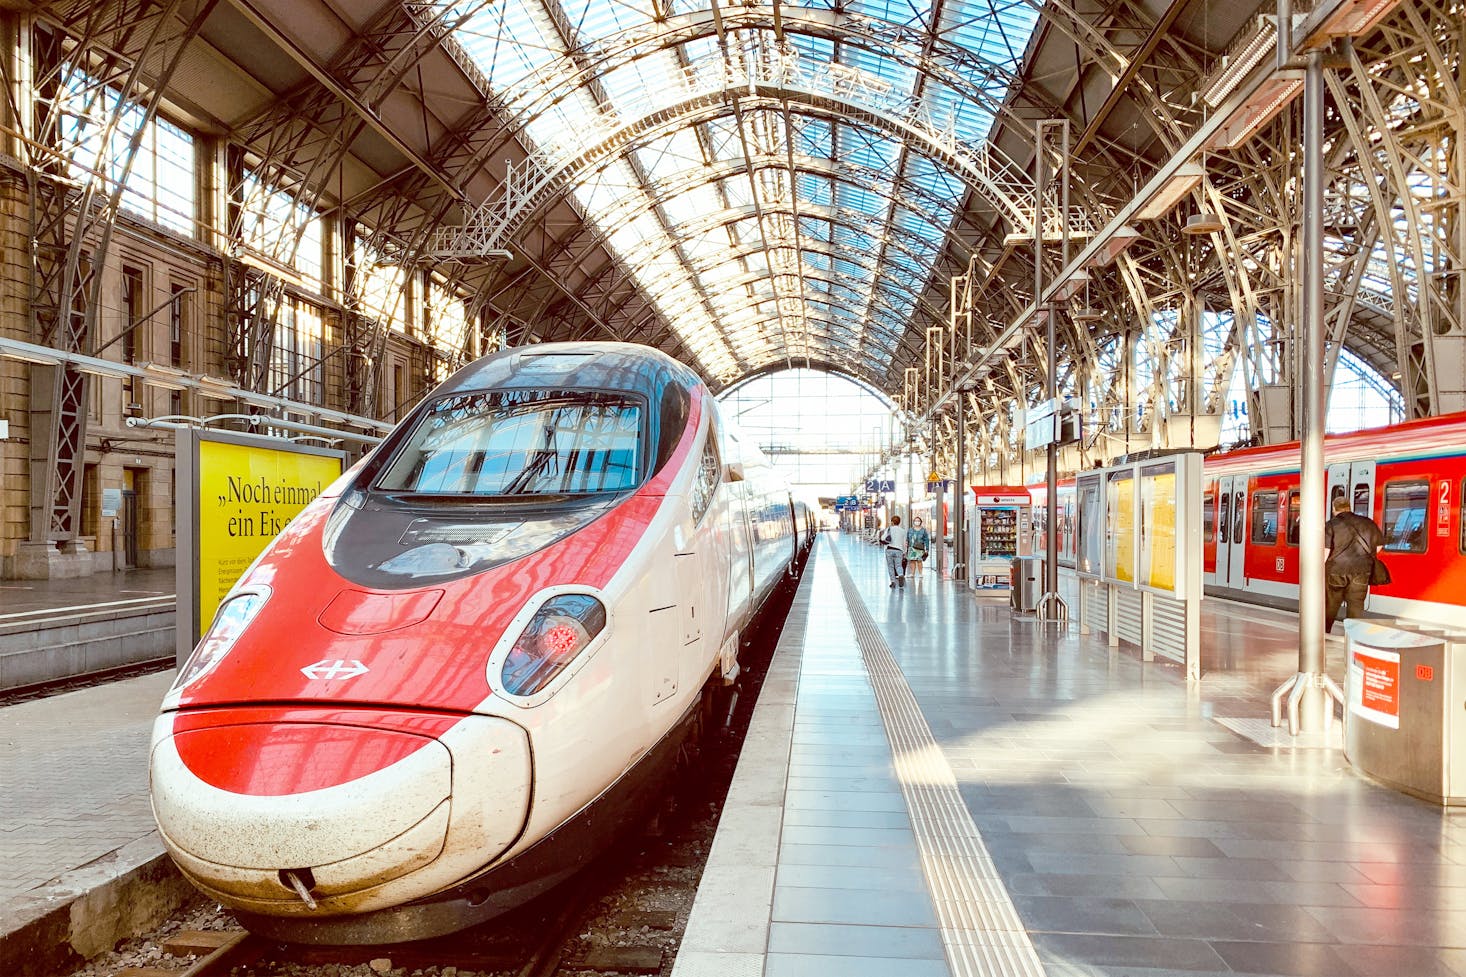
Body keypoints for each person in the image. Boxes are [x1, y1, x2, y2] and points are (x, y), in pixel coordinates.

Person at [1323, 495, 1385, 633]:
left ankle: (1325, 632)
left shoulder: (1331, 524)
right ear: (1349, 507)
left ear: (1334, 508)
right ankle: (1353, 637)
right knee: (1356, 605)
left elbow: (1325, 551)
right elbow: (1379, 546)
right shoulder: (1367, 522)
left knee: (1330, 605)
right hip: (1362, 570)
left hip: (1336, 570)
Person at [882, 515, 908, 589]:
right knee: (898, 565)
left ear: (892, 522)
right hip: (899, 550)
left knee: (890, 566)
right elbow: (904, 543)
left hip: (889, 549)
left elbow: (883, 538)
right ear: (899, 522)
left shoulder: (889, 529)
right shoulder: (903, 531)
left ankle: (893, 582)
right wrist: (904, 552)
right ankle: (900, 574)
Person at [906, 516, 931, 592]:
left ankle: (920, 573)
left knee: (919, 561)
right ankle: (912, 573)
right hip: (911, 547)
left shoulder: (923, 531)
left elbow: (926, 540)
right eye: (915, 521)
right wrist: (906, 545)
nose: (917, 522)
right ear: (913, 522)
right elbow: (907, 539)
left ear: (920, 522)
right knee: (912, 561)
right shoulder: (910, 530)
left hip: (920, 548)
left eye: (918, 521)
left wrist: (927, 549)